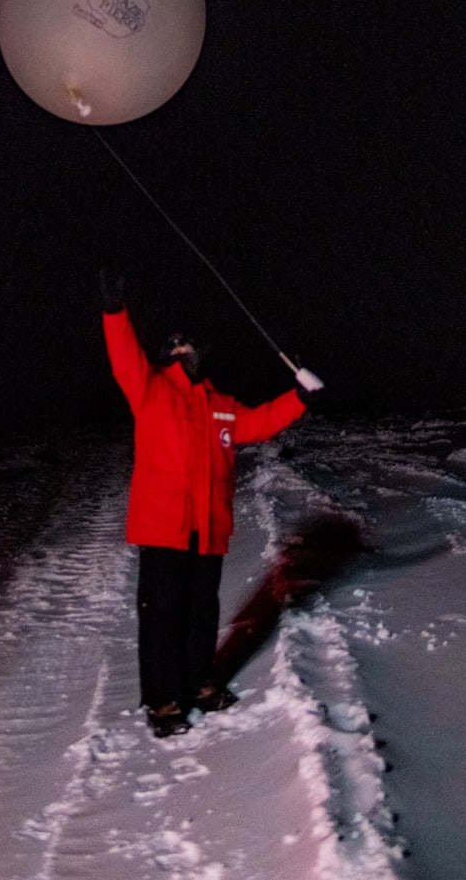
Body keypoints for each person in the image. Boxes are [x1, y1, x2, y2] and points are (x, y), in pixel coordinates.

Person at [99, 270, 316, 737]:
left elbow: (257, 423)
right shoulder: (151, 390)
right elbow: (123, 359)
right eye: (176, 347)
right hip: (163, 526)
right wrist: (115, 311)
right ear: (169, 354)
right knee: (162, 615)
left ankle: (200, 684)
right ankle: (163, 702)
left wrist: (298, 398)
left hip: (207, 525)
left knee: (202, 611)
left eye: (189, 346)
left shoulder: (219, 403)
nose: (185, 352)